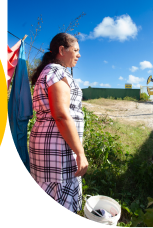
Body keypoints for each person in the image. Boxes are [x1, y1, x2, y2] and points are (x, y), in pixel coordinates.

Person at [28, 32, 87, 213]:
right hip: (57, 148)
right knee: (59, 194)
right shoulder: (56, 71)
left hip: (50, 144)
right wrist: (80, 152)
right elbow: (61, 114)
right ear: (62, 50)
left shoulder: (50, 71)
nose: (79, 54)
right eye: (75, 50)